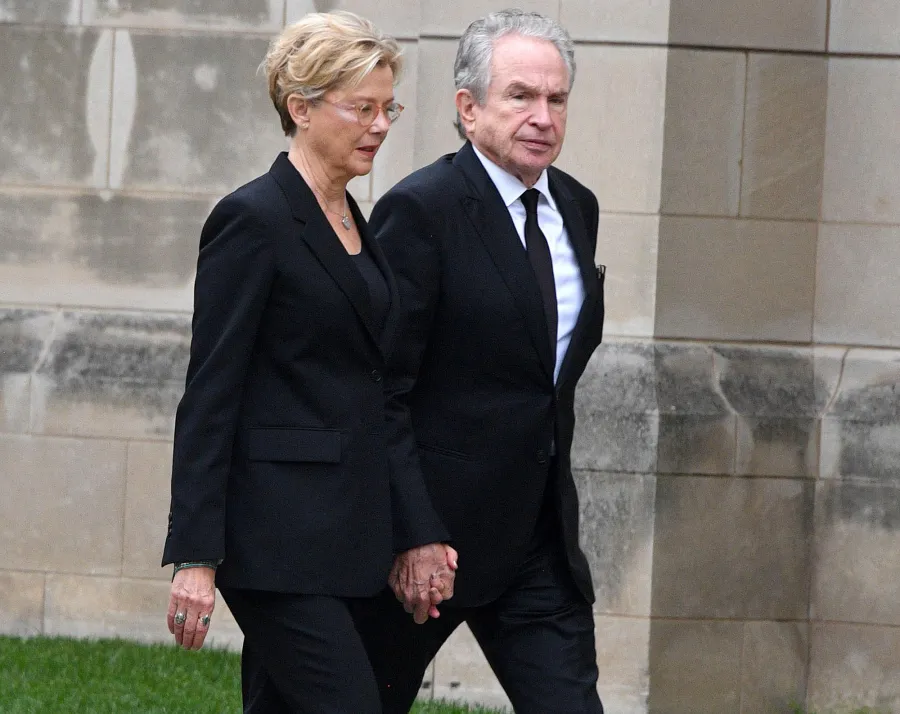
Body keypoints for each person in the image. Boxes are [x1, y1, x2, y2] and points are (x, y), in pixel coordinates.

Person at [160, 12, 455, 713]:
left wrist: (416, 528)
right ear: (301, 108)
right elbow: (211, 393)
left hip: (350, 539)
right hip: (274, 544)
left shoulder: (357, 220)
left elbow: (382, 393)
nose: (381, 125)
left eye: (389, 108)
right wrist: (196, 558)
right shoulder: (253, 220)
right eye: (362, 108)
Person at [357, 9, 606, 714]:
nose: (543, 116)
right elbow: (384, 388)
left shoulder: (577, 208)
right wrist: (415, 533)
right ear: (468, 109)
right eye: (520, 96)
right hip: (427, 547)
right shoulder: (421, 211)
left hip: (538, 545)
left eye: (556, 99)